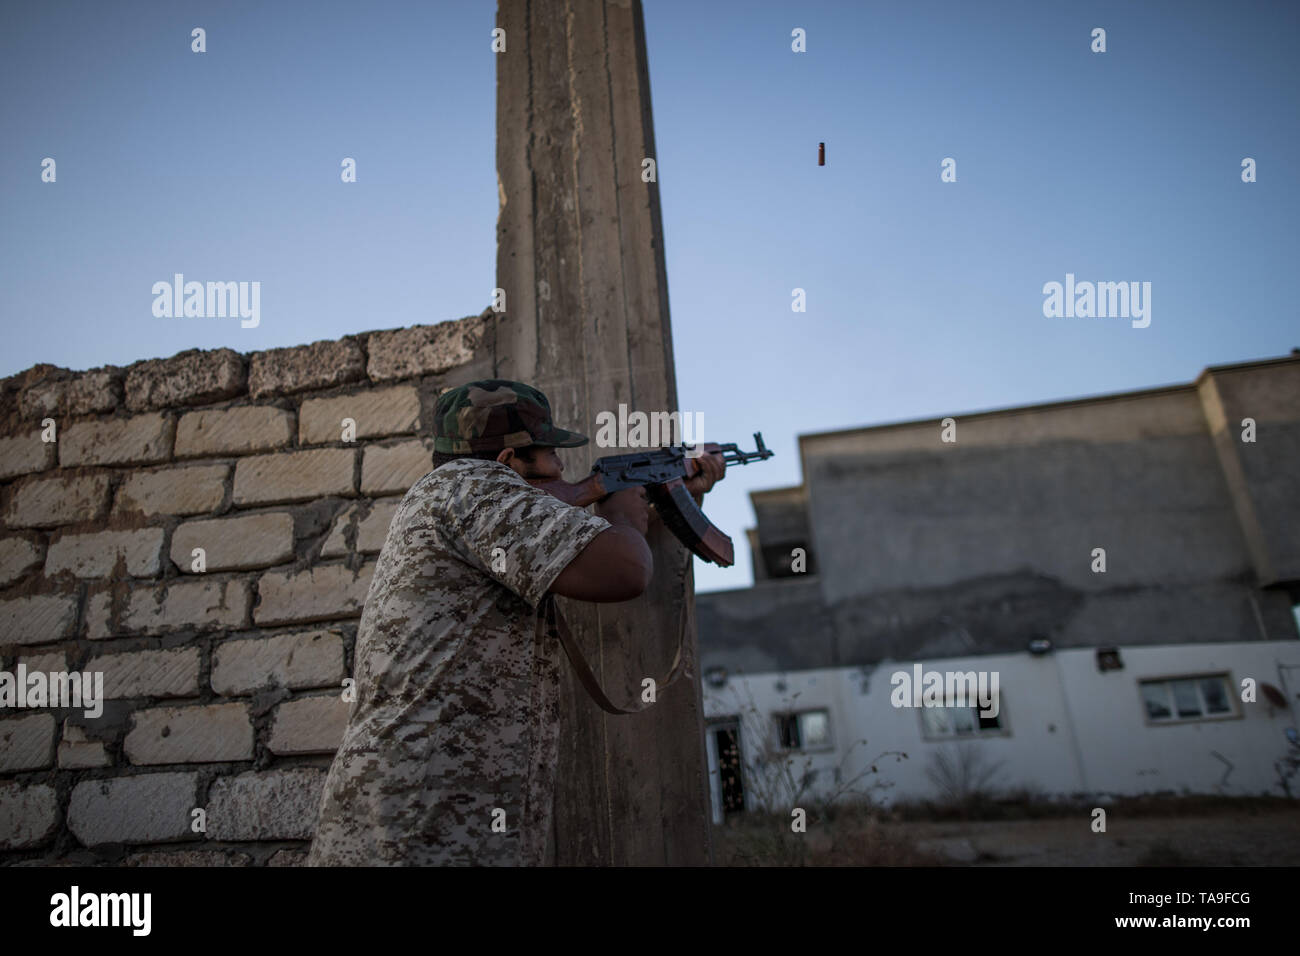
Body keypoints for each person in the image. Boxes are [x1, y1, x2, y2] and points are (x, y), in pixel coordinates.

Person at [305, 379, 724, 865]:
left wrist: (669, 495)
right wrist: (623, 515)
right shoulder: (473, 489)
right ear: (507, 464)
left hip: (428, 820)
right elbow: (625, 569)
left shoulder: (450, 501)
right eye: (551, 457)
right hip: (415, 827)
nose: (562, 468)